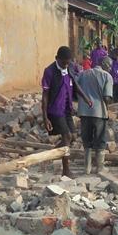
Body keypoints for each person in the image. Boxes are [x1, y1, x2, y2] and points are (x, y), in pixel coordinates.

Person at [41, 46, 92, 177]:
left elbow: (75, 85)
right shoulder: (49, 71)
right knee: (67, 137)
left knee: (73, 137)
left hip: (67, 109)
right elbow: (45, 95)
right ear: (56, 58)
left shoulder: (69, 68)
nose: (65, 65)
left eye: (68, 62)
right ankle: (66, 170)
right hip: (55, 110)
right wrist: (45, 117)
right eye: (63, 62)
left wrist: (86, 98)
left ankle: (52, 153)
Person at [77, 56, 113, 174]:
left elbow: (75, 89)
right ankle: (100, 167)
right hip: (99, 112)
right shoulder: (106, 76)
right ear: (106, 65)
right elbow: (107, 97)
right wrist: (108, 106)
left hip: (84, 112)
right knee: (100, 140)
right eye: (110, 66)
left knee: (86, 140)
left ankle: (86, 168)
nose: (110, 68)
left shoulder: (83, 74)